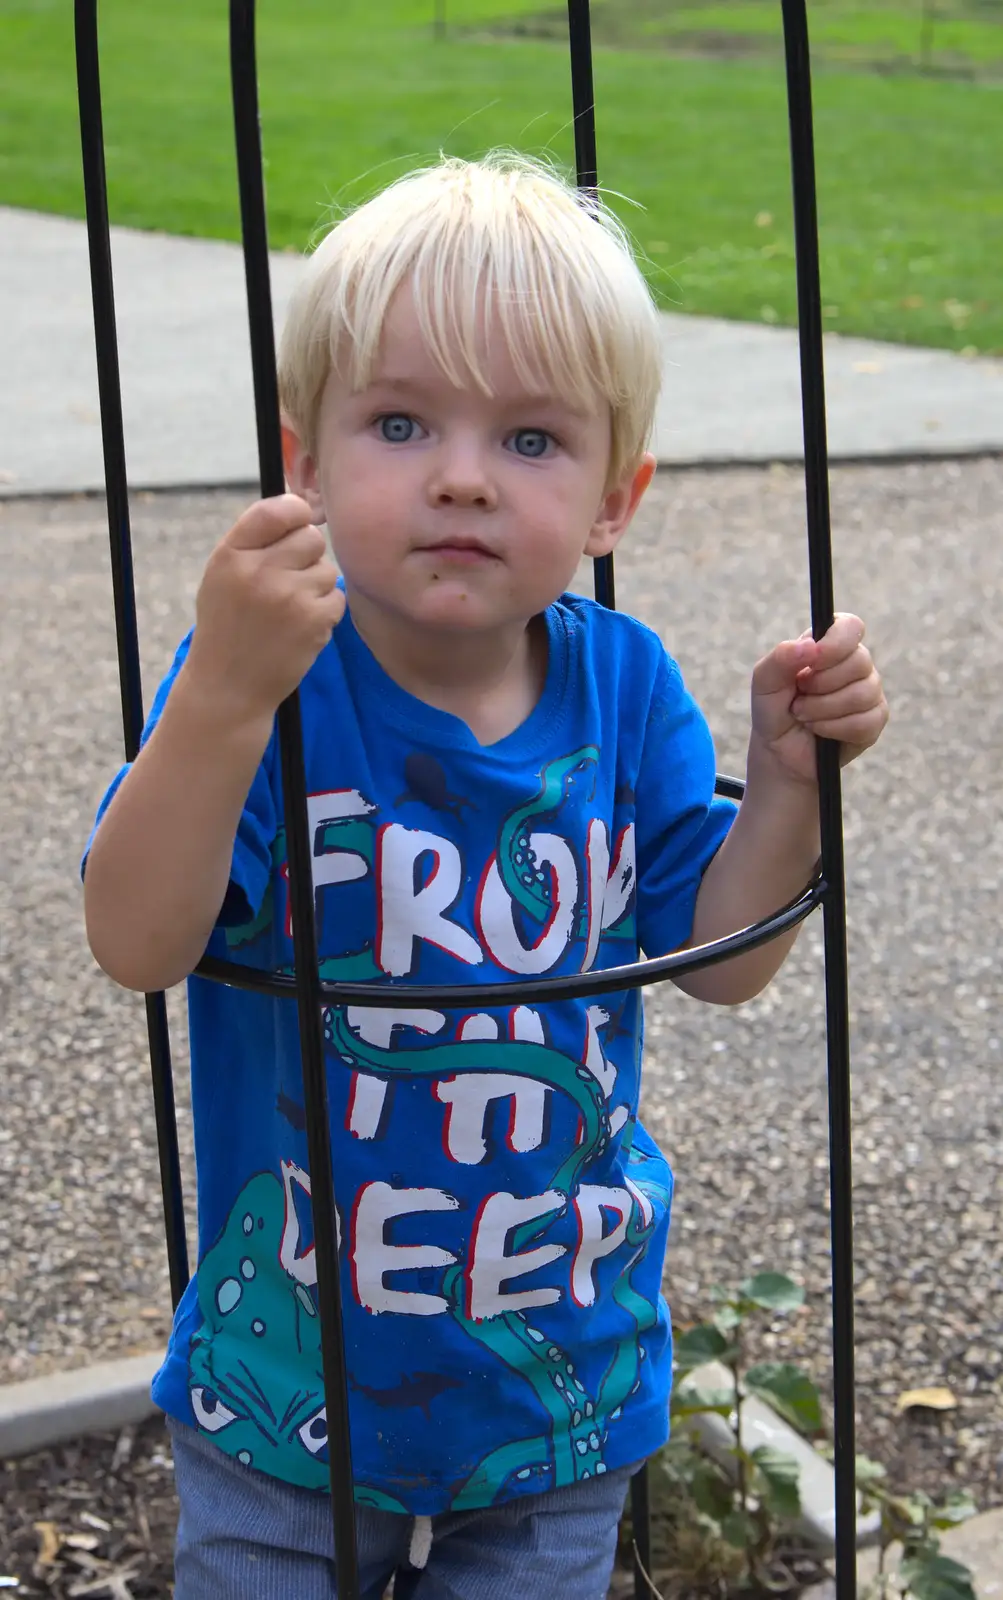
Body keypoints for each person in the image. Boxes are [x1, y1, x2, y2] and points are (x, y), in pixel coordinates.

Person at [82, 152, 888, 1600]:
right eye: (400, 421)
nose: (460, 472)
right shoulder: (270, 683)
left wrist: (785, 784)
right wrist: (215, 704)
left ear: (613, 499)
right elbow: (139, 943)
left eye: (529, 438)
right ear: (306, 463)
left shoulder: (624, 683)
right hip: (289, 1397)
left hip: (556, 1390)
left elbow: (722, 959)